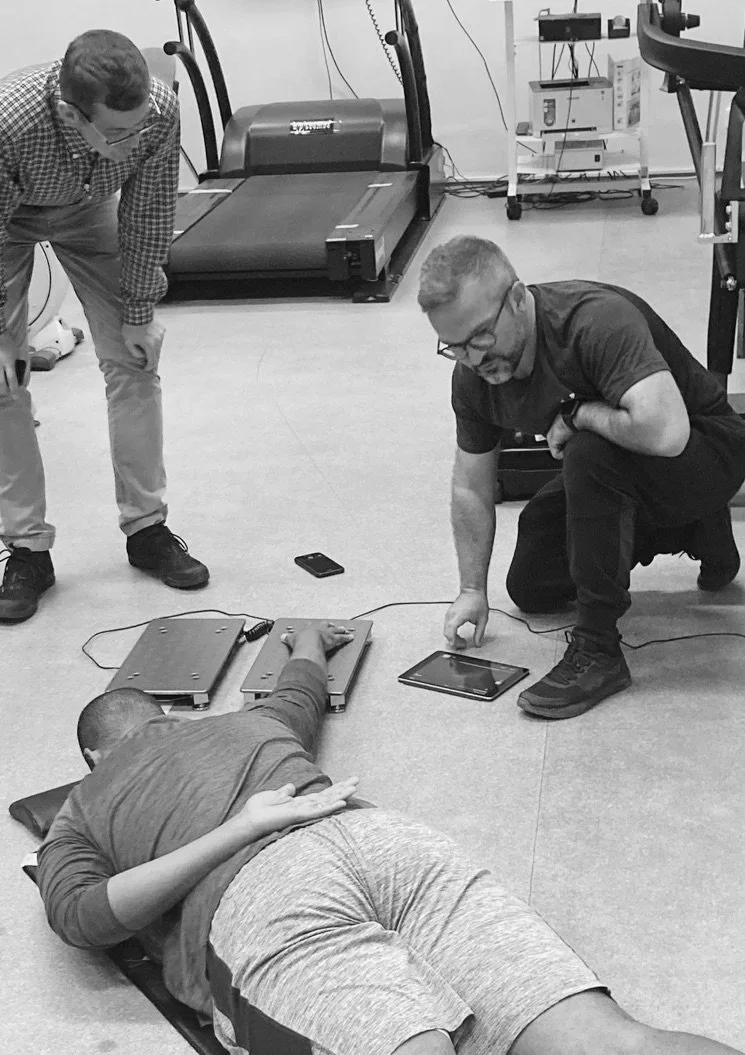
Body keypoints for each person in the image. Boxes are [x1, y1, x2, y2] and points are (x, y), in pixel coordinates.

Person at [37, 622, 744, 1055]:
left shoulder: (83, 806)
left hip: (265, 896)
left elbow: (85, 917)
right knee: (611, 1042)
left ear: (95, 755)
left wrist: (237, 830)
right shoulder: (249, 721)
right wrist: (309, 639)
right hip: (381, 839)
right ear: (167, 715)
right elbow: (303, 679)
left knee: (415, 1046)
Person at [417, 235, 745, 721]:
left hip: (708, 451)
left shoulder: (593, 322)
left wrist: (580, 415)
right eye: (455, 346)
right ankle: (694, 527)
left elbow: (668, 432)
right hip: (638, 468)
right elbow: (470, 484)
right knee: (532, 584)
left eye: (481, 336)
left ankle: (599, 651)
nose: (473, 359)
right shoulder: (473, 376)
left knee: (588, 453)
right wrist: (471, 590)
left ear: (517, 298)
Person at [0, 29, 209, 623]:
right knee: (4, 380)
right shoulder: (7, 124)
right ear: (71, 112)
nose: (133, 139)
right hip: (6, 218)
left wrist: (140, 313)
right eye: (117, 133)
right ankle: (27, 550)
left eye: (139, 125)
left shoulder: (158, 111)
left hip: (92, 211)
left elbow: (149, 211)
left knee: (135, 361)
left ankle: (147, 531)